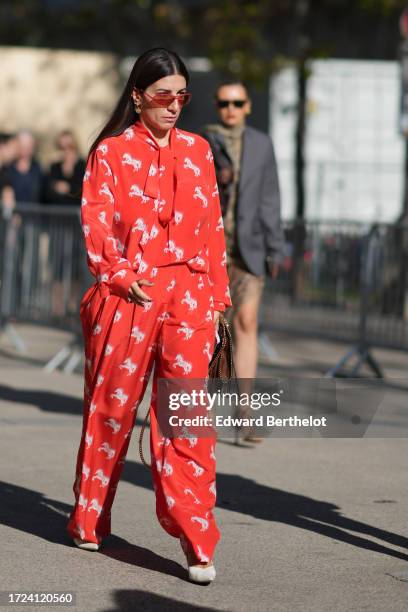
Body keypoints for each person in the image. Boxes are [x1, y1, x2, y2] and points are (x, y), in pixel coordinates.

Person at [66, 47, 232, 584]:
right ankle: (89, 517)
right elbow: (96, 225)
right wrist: (118, 275)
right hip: (129, 295)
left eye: (183, 95)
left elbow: (213, 231)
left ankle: (197, 539)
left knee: (186, 418)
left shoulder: (200, 150)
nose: (175, 105)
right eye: (164, 95)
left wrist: (218, 299)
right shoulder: (110, 153)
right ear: (138, 95)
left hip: (190, 298)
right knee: (110, 411)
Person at [201, 80, 285, 443]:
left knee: (247, 321)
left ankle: (245, 412)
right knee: (211, 330)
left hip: (249, 250)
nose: (231, 109)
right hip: (210, 250)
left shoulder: (262, 145)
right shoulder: (202, 142)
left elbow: (270, 197)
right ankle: (199, 411)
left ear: (249, 106)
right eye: (224, 103)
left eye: (237, 102)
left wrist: (276, 246)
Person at [44, 129, 85, 205]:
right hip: (57, 213)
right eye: (61, 147)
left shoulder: (83, 165)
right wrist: (54, 187)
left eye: (69, 146)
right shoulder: (55, 166)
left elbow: (86, 191)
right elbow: (45, 192)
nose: (66, 150)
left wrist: (69, 188)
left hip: (76, 213)